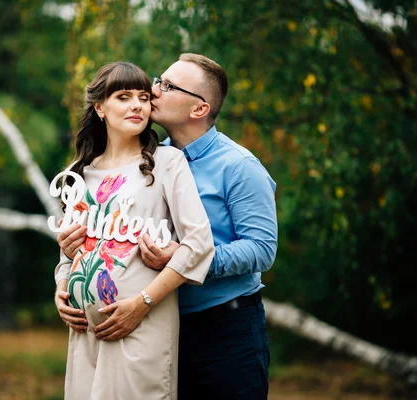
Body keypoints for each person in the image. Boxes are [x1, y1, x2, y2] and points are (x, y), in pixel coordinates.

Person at [57, 54, 278, 399]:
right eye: (158, 81)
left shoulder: (238, 167)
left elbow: (263, 249)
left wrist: (187, 262)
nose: (154, 91)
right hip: (158, 326)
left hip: (223, 327)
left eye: (166, 86)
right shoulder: (146, 162)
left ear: (198, 110)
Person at [52, 61, 215, 400]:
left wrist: (142, 303)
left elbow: (199, 244)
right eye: (123, 97)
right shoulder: (78, 173)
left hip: (142, 325)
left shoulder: (167, 162)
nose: (137, 105)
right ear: (100, 107)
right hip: (85, 334)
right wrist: (61, 287)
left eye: (143, 96)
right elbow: (69, 253)